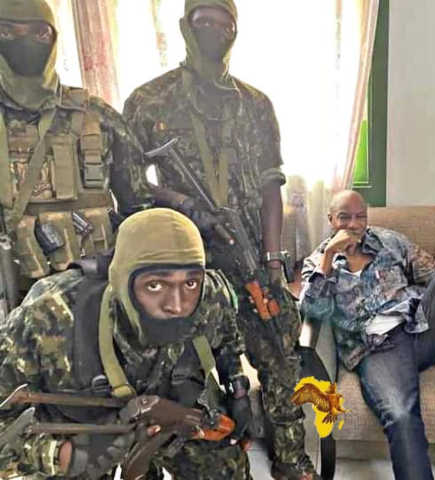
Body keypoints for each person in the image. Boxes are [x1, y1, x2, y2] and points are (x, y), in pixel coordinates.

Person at [122, 1, 318, 478]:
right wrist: (183, 203)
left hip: (247, 253)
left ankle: (291, 461)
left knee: (280, 355)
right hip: (181, 264)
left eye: (223, 23)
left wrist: (273, 264)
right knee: (182, 369)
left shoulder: (255, 104)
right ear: (185, 27)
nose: (213, 30)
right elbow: (129, 184)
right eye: (202, 21)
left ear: (235, 31)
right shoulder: (148, 101)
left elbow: (271, 187)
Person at [0, 208, 253, 479]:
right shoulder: (48, 316)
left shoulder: (210, 294)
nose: (177, 305)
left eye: (190, 283)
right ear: (122, 281)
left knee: (227, 469)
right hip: (85, 438)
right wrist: (60, 456)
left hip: (177, 417)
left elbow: (227, 339)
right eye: (155, 285)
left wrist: (237, 388)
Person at [300, 190, 435, 480]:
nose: (353, 224)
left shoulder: (389, 241)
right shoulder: (318, 261)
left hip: (420, 329)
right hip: (378, 349)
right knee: (402, 416)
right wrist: (329, 257)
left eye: (360, 217)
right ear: (330, 220)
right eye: (344, 217)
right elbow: (312, 310)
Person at [0, 0, 150, 304]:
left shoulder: (98, 116)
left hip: (94, 294)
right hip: (13, 300)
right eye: (7, 32)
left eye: (39, 33)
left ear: (54, 39)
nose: (24, 42)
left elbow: (139, 209)